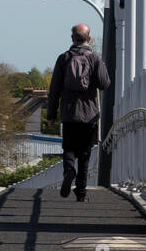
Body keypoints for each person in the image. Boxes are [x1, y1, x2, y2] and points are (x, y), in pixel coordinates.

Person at [46, 23, 111, 201]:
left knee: (68, 148)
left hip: (68, 113)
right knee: (84, 153)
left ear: (73, 38)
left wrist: (51, 115)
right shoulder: (94, 58)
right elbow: (104, 84)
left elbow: (54, 89)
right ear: (89, 39)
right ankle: (81, 192)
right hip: (89, 114)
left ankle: (69, 171)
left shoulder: (64, 58)